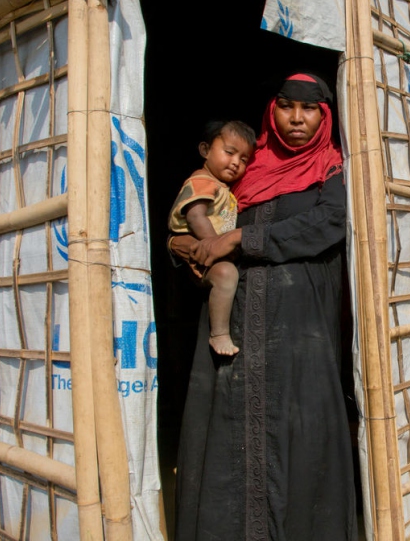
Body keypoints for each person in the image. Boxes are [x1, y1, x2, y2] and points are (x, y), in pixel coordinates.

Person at [170, 73, 356, 538]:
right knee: (229, 431)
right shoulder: (244, 170)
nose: (297, 118)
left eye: (309, 108)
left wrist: (241, 237)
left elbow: (328, 224)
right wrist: (183, 248)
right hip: (233, 324)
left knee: (302, 427)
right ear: (271, 113)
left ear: (325, 114)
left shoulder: (331, 169)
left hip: (300, 329)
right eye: (287, 106)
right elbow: (194, 223)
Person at [168, 120, 255, 356]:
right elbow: (196, 217)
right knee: (226, 275)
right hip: (200, 250)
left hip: (211, 251)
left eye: (244, 159)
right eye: (229, 152)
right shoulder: (201, 181)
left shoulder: (220, 186)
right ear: (206, 151)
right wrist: (219, 246)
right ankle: (219, 334)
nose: (236, 162)